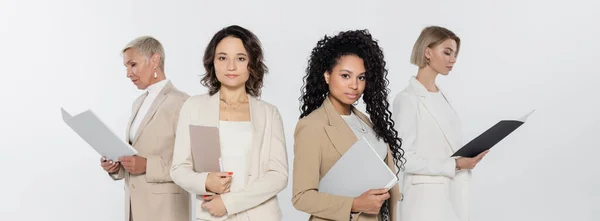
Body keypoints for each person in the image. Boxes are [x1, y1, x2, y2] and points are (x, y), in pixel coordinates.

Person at [170, 25, 288, 221]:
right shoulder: (194, 107)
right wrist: (205, 181)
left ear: (252, 64)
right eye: (222, 58)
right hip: (211, 215)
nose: (231, 66)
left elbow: (278, 175)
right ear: (212, 62)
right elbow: (178, 169)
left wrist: (229, 203)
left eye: (240, 58)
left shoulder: (269, 113)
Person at [292, 29, 405, 221]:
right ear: (327, 75)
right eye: (345, 76)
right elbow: (301, 197)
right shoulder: (312, 126)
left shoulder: (367, 122)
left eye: (361, 77)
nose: (355, 85)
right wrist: (354, 204)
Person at [393, 26, 489, 221]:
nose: (453, 59)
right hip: (424, 203)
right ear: (427, 52)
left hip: (452, 198)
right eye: (447, 52)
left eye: (455, 54)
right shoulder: (407, 99)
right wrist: (454, 165)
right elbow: (403, 158)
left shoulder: (443, 96)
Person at [100, 36, 190, 221]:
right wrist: (116, 166)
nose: (128, 73)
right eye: (126, 67)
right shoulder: (138, 103)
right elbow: (135, 156)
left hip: (165, 212)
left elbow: (193, 162)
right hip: (134, 210)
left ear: (154, 61)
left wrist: (148, 165)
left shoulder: (182, 102)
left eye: (133, 64)